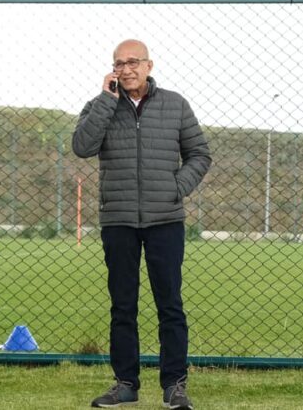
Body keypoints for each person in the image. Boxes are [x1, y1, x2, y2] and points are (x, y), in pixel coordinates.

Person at [73, 39, 211, 410]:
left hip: (165, 220)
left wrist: (175, 188)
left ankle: (174, 385)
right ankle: (125, 384)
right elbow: (82, 147)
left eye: (133, 62)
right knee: (123, 306)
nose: (126, 69)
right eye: (119, 63)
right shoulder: (99, 105)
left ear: (149, 65)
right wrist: (106, 101)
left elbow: (199, 154)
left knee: (170, 305)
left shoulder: (175, 104)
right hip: (118, 220)